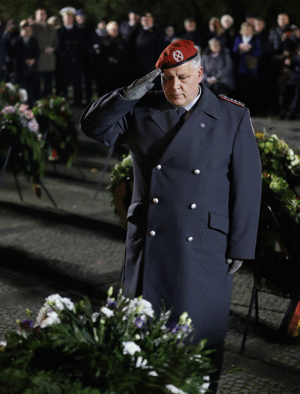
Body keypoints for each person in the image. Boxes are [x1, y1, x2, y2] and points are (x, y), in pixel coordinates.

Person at [80, 39, 262, 393]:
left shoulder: (231, 114)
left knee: (199, 339)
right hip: (152, 239)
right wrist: (127, 95)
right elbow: (93, 127)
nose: (174, 87)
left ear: (200, 74)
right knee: (141, 342)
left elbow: (247, 183)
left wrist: (241, 245)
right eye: (166, 79)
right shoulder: (141, 109)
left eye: (182, 77)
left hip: (205, 245)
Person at [57, 7, 83, 105]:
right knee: (63, 84)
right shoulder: (58, 31)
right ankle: (63, 104)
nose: (68, 19)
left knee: (77, 83)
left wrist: (76, 57)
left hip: (76, 62)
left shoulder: (78, 31)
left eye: (70, 17)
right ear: (63, 18)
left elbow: (81, 46)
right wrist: (65, 57)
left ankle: (78, 103)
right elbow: (58, 47)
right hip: (64, 62)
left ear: (73, 18)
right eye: (66, 17)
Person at [233, 21, 261, 111]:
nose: (247, 31)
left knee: (251, 88)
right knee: (241, 88)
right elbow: (233, 51)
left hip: (251, 68)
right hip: (240, 67)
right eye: (245, 29)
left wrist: (249, 49)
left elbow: (258, 52)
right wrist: (239, 48)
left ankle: (250, 109)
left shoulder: (256, 39)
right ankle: (240, 109)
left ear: (252, 30)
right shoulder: (238, 38)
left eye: (249, 29)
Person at [12, 20, 40, 106]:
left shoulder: (34, 40)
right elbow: (14, 54)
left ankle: (31, 105)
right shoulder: (16, 41)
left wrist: (33, 60)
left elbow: (37, 52)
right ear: (21, 31)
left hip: (32, 69)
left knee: (32, 88)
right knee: (21, 89)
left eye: (29, 31)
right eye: (26, 30)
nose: (28, 32)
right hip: (20, 69)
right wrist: (25, 60)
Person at [32, 8, 58, 98]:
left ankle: (48, 102)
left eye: (43, 14)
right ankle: (38, 103)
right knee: (38, 83)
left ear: (46, 15)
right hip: (39, 59)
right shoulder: (32, 27)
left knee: (49, 83)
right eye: (39, 14)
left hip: (50, 59)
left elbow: (56, 40)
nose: (41, 16)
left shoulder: (51, 27)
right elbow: (31, 43)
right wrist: (43, 49)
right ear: (36, 16)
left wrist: (52, 48)